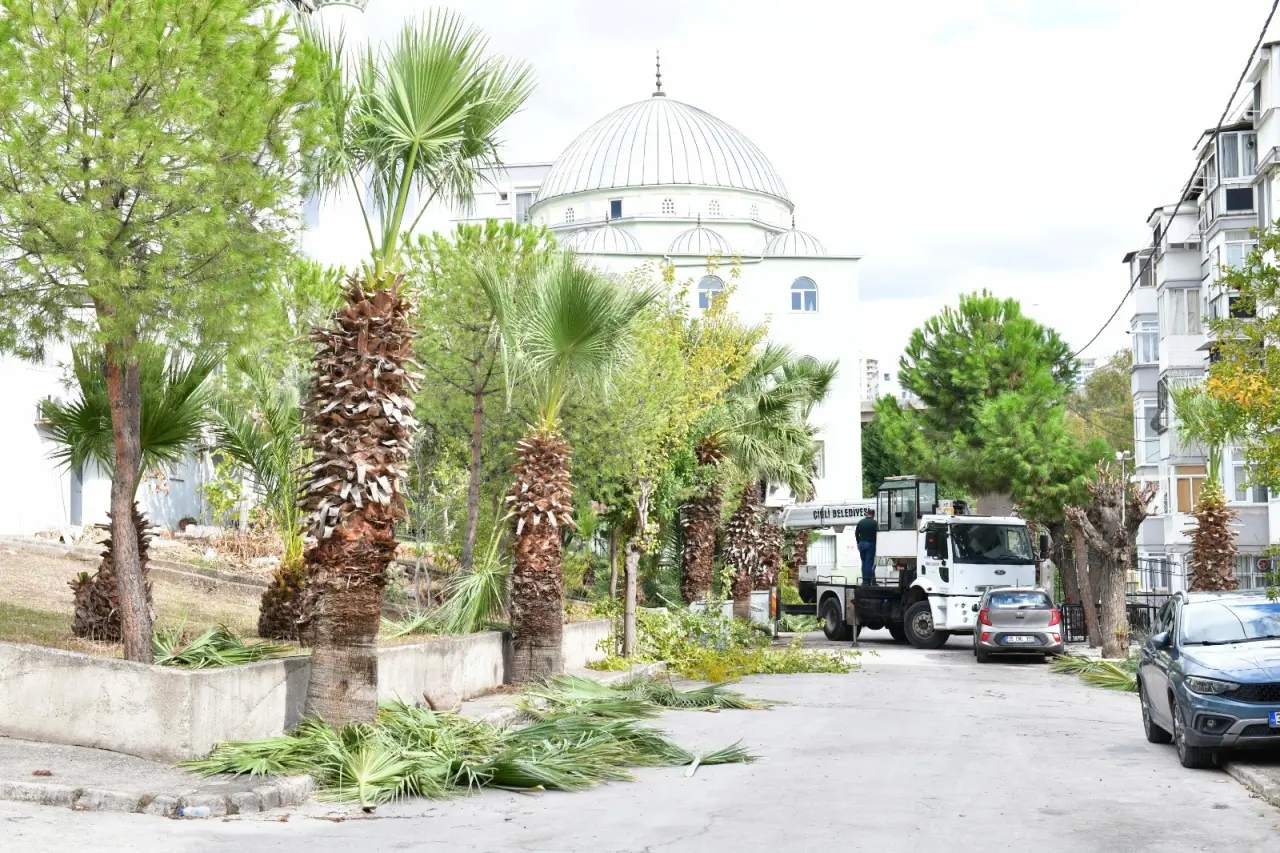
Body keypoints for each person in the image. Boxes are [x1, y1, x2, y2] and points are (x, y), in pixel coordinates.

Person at [855, 510, 878, 585]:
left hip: (861, 544)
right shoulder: (874, 523)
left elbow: (856, 533)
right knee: (869, 563)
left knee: (864, 563)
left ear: (867, 514)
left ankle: (864, 581)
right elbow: (878, 533)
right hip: (870, 544)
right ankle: (868, 582)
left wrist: (858, 542)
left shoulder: (860, 522)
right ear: (873, 515)